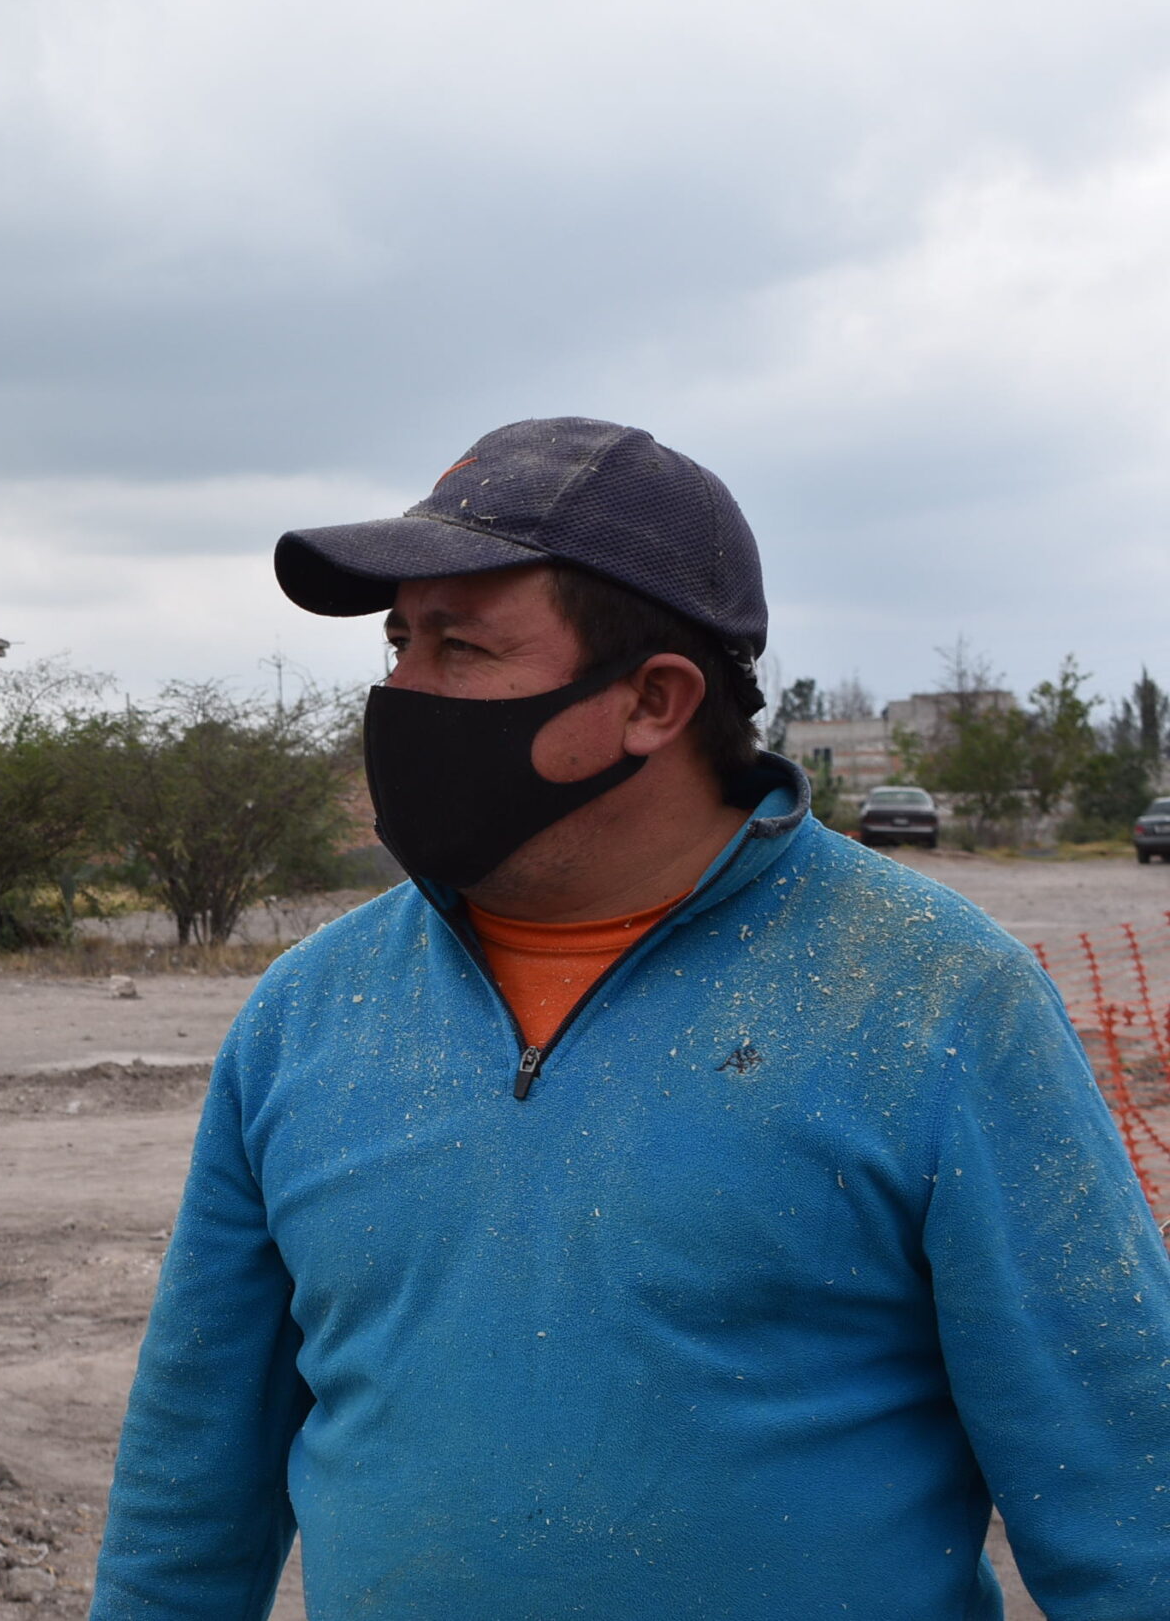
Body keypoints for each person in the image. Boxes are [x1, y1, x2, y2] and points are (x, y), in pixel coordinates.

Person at [92, 417, 1170, 1618]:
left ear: (654, 700)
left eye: (459, 646)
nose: (398, 693)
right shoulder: (306, 1014)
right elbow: (187, 1500)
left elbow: (1131, 1504)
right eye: (398, 641)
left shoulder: (933, 997)